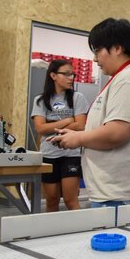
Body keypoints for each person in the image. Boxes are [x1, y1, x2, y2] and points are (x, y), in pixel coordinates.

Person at [52, 18, 130, 207]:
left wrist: (78, 139)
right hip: (119, 191)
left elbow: (117, 133)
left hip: (129, 194)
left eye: (97, 50)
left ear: (117, 48)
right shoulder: (125, 77)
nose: (94, 58)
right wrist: (78, 134)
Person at [30, 59, 89, 211]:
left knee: (71, 200)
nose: (71, 78)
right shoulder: (40, 100)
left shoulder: (78, 98)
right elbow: (40, 129)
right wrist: (69, 120)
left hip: (71, 154)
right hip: (49, 154)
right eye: (66, 74)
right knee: (51, 200)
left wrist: (52, 124)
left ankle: (80, 232)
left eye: (73, 74)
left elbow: (81, 125)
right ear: (53, 75)